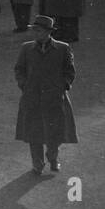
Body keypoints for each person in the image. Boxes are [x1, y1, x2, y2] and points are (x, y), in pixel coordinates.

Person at [15, 15, 77, 175]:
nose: (36, 34)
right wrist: (24, 85)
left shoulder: (63, 48)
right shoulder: (26, 48)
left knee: (54, 132)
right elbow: (19, 69)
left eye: (40, 31)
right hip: (32, 97)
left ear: (49, 32)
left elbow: (69, 71)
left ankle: (53, 158)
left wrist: (63, 87)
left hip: (54, 97)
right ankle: (37, 163)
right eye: (34, 30)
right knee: (33, 132)